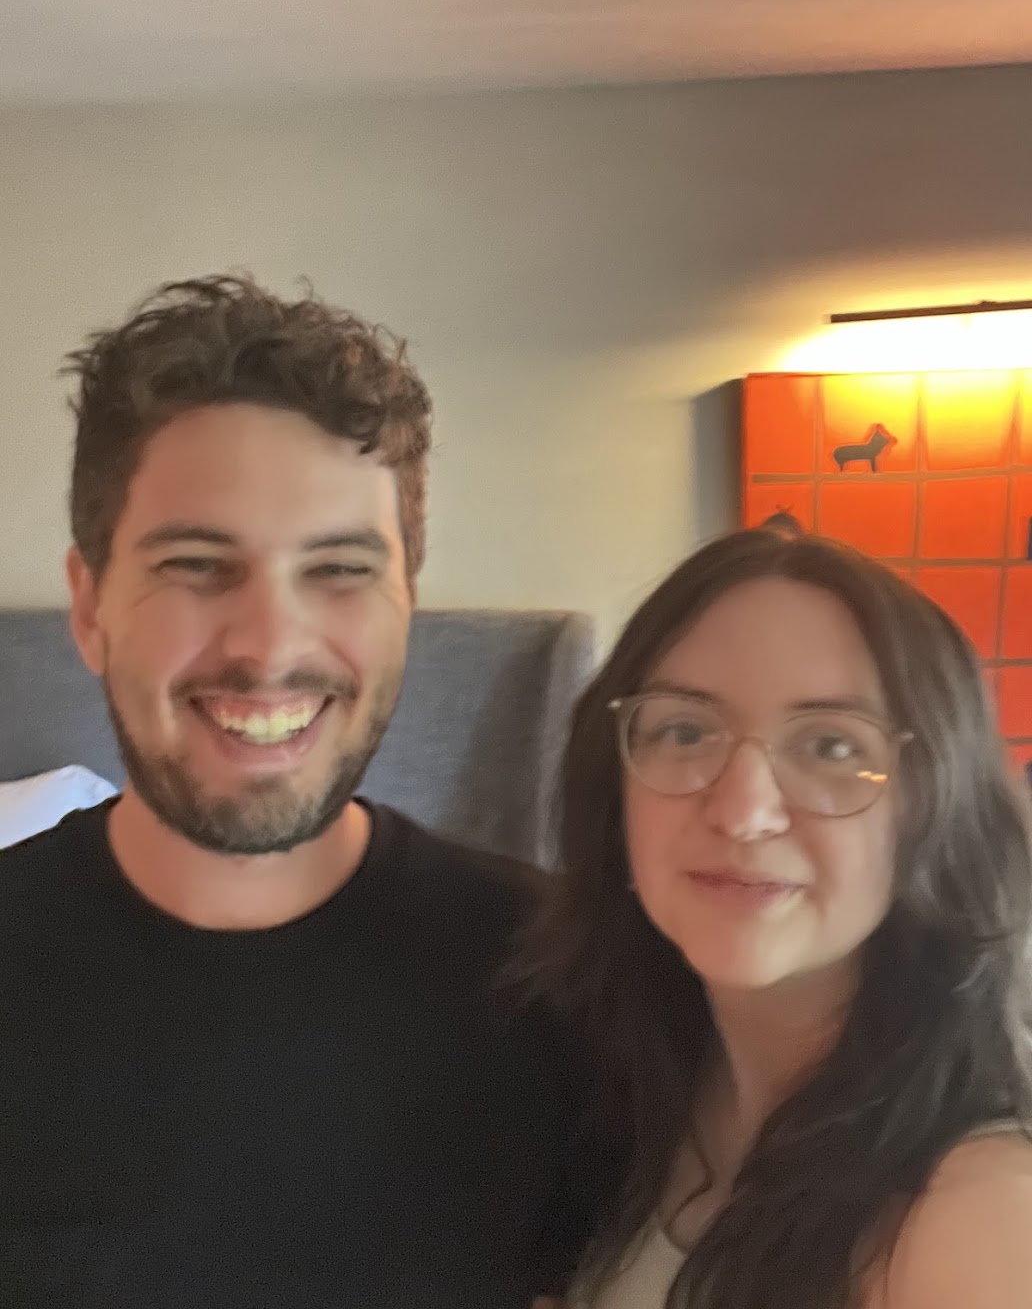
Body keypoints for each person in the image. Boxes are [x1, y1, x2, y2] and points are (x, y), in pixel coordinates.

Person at [0, 275, 598, 1308]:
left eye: (339, 569)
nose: (269, 645)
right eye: (197, 563)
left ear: (407, 596)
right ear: (91, 606)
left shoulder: (565, 982)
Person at [519, 527, 1032, 1309]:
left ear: (932, 805)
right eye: (685, 731)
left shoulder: (976, 1218)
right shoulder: (622, 1084)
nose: (744, 810)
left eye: (830, 745)